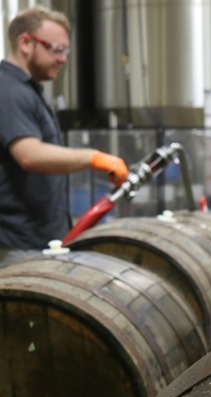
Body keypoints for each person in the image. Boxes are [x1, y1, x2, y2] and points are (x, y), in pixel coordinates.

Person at [0, 6, 128, 250]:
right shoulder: (7, 90)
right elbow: (30, 155)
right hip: (16, 245)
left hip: (35, 237)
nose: (63, 59)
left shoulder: (28, 90)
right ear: (25, 43)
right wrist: (94, 157)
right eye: (56, 49)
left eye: (65, 51)